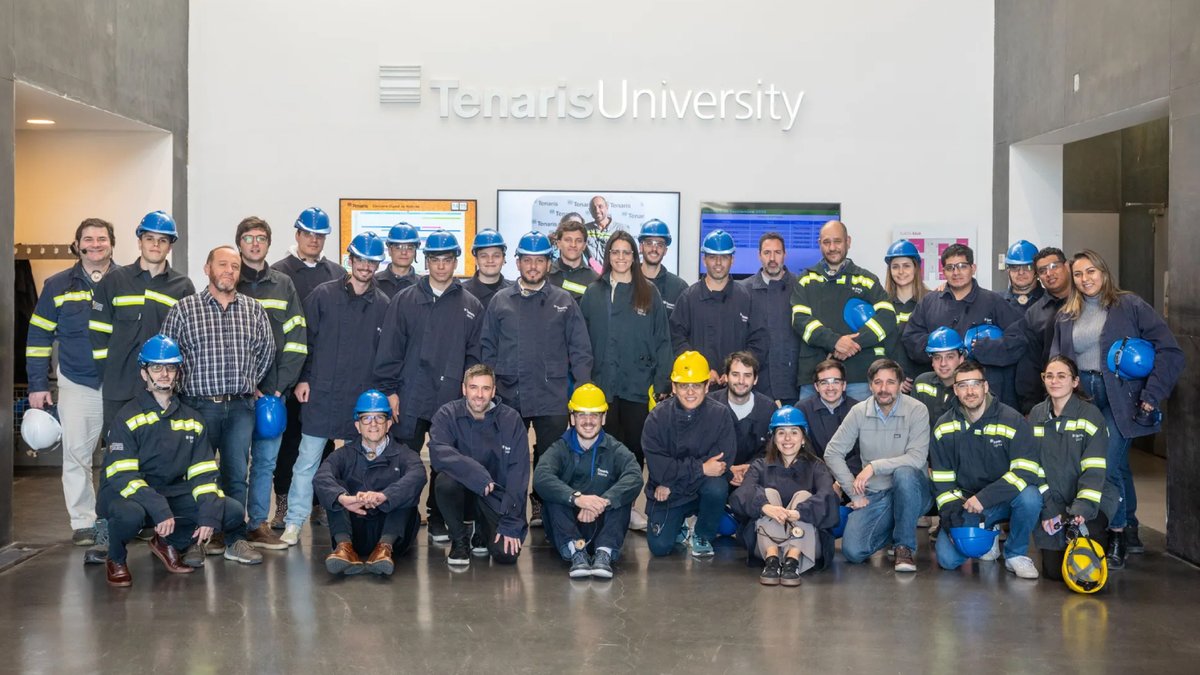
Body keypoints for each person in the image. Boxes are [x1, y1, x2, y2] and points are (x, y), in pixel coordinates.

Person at [1050, 249, 1183, 567]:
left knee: (1104, 465)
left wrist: (1152, 394)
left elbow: (1170, 351)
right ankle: (1133, 530)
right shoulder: (1067, 312)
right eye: (1079, 274)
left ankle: (1117, 533)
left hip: (1121, 398)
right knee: (1118, 466)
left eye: (1091, 272)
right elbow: (1058, 359)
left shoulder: (1130, 306)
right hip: (1083, 398)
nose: (1085, 280)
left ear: (1104, 272)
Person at [98, 335, 260, 587]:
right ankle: (116, 558)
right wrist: (159, 509)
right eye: (156, 367)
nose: (164, 374)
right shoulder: (126, 417)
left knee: (231, 512)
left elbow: (204, 473)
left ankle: (167, 542)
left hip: (170, 492)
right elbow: (122, 475)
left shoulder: (192, 419)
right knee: (128, 515)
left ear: (178, 373)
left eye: (171, 367)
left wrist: (208, 514)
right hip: (128, 495)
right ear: (144, 374)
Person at [161, 245, 275, 555]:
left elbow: (266, 353)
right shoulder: (184, 309)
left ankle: (233, 539)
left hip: (240, 406)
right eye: (222, 264)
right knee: (194, 475)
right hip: (197, 406)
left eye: (235, 267)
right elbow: (169, 359)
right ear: (207, 268)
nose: (229, 271)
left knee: (236, 475)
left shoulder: (254, 310)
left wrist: (248, 383)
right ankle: (191, 536)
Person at [373, 231, 483, 544]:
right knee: (404, 464)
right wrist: (389, 391)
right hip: (409, 395)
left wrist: (470, 396)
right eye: (435, 259)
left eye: (447, 259)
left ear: (455, 261)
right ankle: (402, 520)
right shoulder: (405, 300)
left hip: (450, 400)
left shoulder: (471, 305)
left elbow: (475, 358)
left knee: (445, 461)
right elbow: (389, 351)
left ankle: (438, 518)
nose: (441, 265)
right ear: (427, 261)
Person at [282, 233, 390, 545]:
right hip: (322, 393)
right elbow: (305, 340)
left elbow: (386, 355)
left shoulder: (383, 305)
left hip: (361, 398)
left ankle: (356, 521)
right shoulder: (323, 295)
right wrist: (303, 377)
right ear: (350, 260)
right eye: (361, 260)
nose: (366, 267)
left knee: (361, 465)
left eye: (372, 261)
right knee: (306, 462)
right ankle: (293, 522)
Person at [481, 230, 593, 527]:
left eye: (539, 260)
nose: (533, 266)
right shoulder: (499, 301)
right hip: (507, 393)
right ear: (516, 263)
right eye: (527, 260)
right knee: (506, 456)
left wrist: (581, 392)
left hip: (551, 395)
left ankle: (546, 507)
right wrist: (487, 390)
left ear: (548, 263)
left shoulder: (564, 301)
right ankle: (505, 509)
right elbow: (487, 349)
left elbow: (580, 349)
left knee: (551, 458)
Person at [26, 218, 115, 545]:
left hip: (120, 382)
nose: (95, 244)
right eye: (88, 239)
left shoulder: (125, 282)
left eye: (102, 238)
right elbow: (38, 336)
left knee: (125, 454)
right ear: (77, 244)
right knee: (77, 454)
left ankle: (121, 516)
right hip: (78, 382)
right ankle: (83, 522)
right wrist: (37, 384)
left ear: (111, 243)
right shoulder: (57, 285)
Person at [578, 231, 672, 530]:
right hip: (602, 389)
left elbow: (663, 342)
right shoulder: (594, 293)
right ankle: (600, 506)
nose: (620, 257)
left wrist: (660, 385)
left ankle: (628, 508)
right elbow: (581, 343)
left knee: (633, 452)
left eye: (626, 252)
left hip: (638, 389)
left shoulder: (649, 293)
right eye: (615, 252)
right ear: (607, 256)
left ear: (635, 256)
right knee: (603, 451)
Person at [269, 207, 347, 530]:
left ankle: (320, 503)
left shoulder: (337, 273)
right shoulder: (279, 272)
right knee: (288, 443)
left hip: (324, 373)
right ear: (297, 234)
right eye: (308, 234)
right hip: (288, 371)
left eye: (320, 235)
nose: (314, 240)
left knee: (324, 443)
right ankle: (284, 503)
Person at [233, 217, 308, 548]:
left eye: (261, 238)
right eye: (248, 238)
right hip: (234, 393)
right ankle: (231, 524)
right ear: (239, 243)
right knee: (234, 464)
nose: (254, 243)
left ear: (268, 243)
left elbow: (297, 340)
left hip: (272, 396)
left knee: (265, 462)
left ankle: (257, 524)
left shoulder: (283, 284)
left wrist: (278, 388)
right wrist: (244, 382)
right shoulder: (228, 280)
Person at [929, 361, 1042, 579]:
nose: (969, 391)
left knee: (1031, 497)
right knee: (948, 560)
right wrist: (953, 519)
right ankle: (989, 535)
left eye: (975, 384)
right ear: (955, 389)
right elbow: (943, 483)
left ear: (986, 386)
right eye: (962, 385)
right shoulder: (944, 426)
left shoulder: (1012, 420)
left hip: (1005, 500)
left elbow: (1026, 471)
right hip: (967, 504)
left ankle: (1015, 554)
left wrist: (984, 498)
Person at [90, 211, 196, 435]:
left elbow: (187, 341)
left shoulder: (183, 286)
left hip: (164, 390)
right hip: (119, 390)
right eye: (150, 238)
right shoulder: (114, 281)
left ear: (170, 246)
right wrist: (109, 374)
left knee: (161, 454)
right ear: (139, 242)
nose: (156, 245)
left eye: (163, 240)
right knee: (119, 454)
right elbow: (98, 334)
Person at [823, 358, 931, 572]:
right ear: (870, 385)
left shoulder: (917, 410)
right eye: (878, 382)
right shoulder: (859, 412)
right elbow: (833, 452)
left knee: (905, 473)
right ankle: (899, 524)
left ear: (900, 385)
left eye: (890, 382)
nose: (884, 389)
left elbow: (917, 458)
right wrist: (853, 493)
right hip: (876, 494)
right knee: (853, 551)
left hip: (914, 491)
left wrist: (874, 466)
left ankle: (904, 547)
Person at [532, 384, 644, 578]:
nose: (588, 421)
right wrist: (577, 499)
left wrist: (605, 501)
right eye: (582, 415)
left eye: (595, 415)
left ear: (604, 418)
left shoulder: (615, 449)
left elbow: (634, 476)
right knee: (553, 496)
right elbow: (541, 477)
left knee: (621, 498)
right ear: (573, 418)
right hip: (567, 526)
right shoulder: (560, 448)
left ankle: (604, 553)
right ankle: (577, 553)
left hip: (603, 523)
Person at [313, 390, 426, 576]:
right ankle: (344, 548)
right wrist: (344, 499)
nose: (373, 424)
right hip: (355, 530)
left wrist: (385, 496)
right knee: (335, 488)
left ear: (388, 423)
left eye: (379, 418)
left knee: (406, 491)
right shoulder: (343, 454)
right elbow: (321, 477)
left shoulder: (405, 454)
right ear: (358, 425)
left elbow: (419, 475)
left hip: (393, 533)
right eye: (366, 418)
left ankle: (384, 549)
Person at [428, 364, 530, 567]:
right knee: (444, 482)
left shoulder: (511, 420)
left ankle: (481, 530)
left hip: (495, 499)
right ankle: (460, 539)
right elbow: (438, 452)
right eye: (473, 387)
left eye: (485, 388)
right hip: (460, 496)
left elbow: (518, 475)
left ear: (493, 391)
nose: (479, 395)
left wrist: (511, 522)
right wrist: (475, 474)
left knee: (506, 556)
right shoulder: (447, 414)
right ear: (464, 389)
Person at [901, 243, 1023, 408]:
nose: (956, 272)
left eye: (962, 266)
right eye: (950, 267)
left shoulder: (993, 302)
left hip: (982, 394)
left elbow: (1019, 340)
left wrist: (980, 348)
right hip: (939, 396)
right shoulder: (929, 302)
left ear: (973, 268)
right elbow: (910, 338)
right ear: (943, 271)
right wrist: (940, 348)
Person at [642, 351, 737, 558]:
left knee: (717, 487)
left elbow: (722, 463)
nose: (690, 392)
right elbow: (659, 467)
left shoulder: (720, 415)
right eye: (684, 385)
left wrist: (671, 477)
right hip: (671, 492)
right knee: (659, 547)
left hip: (689, 488)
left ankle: (703, 533)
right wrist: (702, 468)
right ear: (674, 387)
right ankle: (679, 524)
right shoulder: (656, 418)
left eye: (696, 385)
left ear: (707, 386)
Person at [729, 406, 839, 586]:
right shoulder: (760, 465)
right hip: (764, 545)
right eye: (781, 433)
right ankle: (772, 560)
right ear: (773, 438)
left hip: (807, 546)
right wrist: (765, 507)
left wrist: (799, 513)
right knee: (767, 494)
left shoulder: (817, 466)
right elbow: (742, 493)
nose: (787, 439)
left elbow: (828, 496)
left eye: (794, 432)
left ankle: (792, 560)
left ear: (803, 438)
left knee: (804, 496)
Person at [1030, 356, 1117, 580]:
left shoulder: (1091, 416)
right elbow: (1033, 467)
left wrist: (1080, 510)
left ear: (1075, 381)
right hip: (1052, 501)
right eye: (1049, 376)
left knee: (1083, 570)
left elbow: (1094, 470)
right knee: (1054, 573)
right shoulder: (1036, 415)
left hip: (1090, 500)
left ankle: (1107, 539)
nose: (1054, 381)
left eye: (1061, 376)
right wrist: (1048, 509)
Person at [791, 220, 896, 403]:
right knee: (808, 431)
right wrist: (835, 342)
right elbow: (800, 321)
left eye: (837, 241)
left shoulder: (866, 279)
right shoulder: (805, 281)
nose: (832, 247)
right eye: (826, 242)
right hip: (814, 378)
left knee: (860, 431)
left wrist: (851, 344)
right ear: (819, 244)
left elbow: (887, 317)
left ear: (848, 241)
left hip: (858, 377)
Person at [670, 229, 766, 385]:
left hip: (736, 390)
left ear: (732, 260)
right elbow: (677, 340)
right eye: (713, 257)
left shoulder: (746, 298)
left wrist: (735, 371)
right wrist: (701, 368)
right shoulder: (688, 298)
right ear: (704, 260)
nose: (719, 263)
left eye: (724, 257)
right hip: (696, 387)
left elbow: (759, 342)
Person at [740, 232, 800, 405]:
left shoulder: (801, 287)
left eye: (777, 252)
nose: (772, 258)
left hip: (794, 383)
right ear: (759, 255)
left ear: (785, 255)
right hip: (757, 385)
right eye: (767, 253)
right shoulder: (743, 290)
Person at [1011, 247, 1071, 414]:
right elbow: (1030, 363)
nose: (1049, 273)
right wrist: (1029, 406)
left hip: (1093, 391)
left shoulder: (1087, 300)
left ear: (1067, 266)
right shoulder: (1035, 313)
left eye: (1054, 266)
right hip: (1052, 395)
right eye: (1043, 270)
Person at [708, 352, 775, 489]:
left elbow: (772, 450)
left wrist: (751, 467)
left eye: (747, 375)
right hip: (716, 475)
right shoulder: (709, 405)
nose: (741, 381)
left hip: (756, 474)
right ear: (726, 377)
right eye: (735, 374)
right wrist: (727, 469)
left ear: (755, 379)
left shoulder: (769, 408)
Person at [881, 239, 930, 389]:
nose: (901, 272)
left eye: (906, 266)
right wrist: (893, 377)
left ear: (916, 268)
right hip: (890, 385)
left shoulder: (931, 302)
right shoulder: (882, 304)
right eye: (895, 267)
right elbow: (878, 348)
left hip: (924, 382)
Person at [797, 360, 860, 465]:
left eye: (835, 382)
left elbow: (863, 451)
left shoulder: (858, 409)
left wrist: (843, 477)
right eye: (824, 382)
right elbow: (801, 451)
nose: (830, 388)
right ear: (816, 387)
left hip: (851, 474)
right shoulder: (802, 410)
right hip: (814, 473)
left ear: (844, 385)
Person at [912, 327, 965, 427]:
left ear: (961, 359)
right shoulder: (921, 383)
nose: (943, 363)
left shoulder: (969, 389)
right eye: (937, 357)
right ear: (932, 361)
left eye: (950, 357)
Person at [637, 219, 688, 312]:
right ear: (641, 247)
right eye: (649, 243)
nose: (654, 249)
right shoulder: (629, 281)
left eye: (659, 245)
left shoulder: (678, 288)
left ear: (665, 251)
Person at [548, 217, 599, 301]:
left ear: (584, 245)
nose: (573, 245)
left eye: (578, 241)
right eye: (568, 240)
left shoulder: (594, 280)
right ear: (558, 244)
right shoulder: (546, 275)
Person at [462, 229, 513, 309]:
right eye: (484, 256)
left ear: (503, 259)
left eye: (496, 256)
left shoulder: (515, 292)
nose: (490, 260)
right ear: (476, 260)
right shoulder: (462, 293)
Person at [375, 222, 421, 299]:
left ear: (415, 252)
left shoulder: (423, 285)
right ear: (389, 250)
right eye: (398, 247)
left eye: (409, 247)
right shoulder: (374, 283)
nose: (404, 252)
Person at [1003, 240, 1044, 313]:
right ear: (1008, 270)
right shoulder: (996, 302)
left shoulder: (1051, 301)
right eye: (1015, 267)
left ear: (1036, 270)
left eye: (1028, 267)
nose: (1021, 272)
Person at [584, 195, 623, 268]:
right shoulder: (584, 229)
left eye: (600, 206)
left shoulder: (620, 229)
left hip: (612, 275)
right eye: (593, 208)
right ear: (590, 211)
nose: (597, 210)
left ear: (607, 207)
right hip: (591, 277)